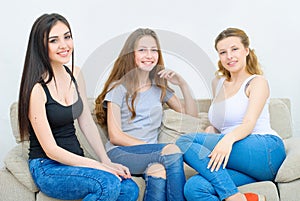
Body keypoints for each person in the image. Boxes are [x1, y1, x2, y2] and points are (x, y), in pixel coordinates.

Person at [18, 13, 139, 201]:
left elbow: (87, 123)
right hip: (48, 167)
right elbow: (51, 150)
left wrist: (105, 160)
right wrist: (98, 166)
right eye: (54, 40)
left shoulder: (75, 74)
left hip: (75, 160)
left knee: (129, 187)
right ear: (41, 47)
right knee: (107, 184)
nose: (64, 45)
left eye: (67, 37)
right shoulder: (36, 89)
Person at [176, 28, 286, 201]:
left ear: (246, 50)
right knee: (194, 188)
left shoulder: (257, 82)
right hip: (242, 162)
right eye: (223, 52)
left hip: (265, 150)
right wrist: (213, 130)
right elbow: (224, 120)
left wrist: (226, 140)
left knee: (184, 142)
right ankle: (248, 198)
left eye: (234, 49)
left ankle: (234, 196)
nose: (229, 56)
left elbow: (248, 123)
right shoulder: (217, 83)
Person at [95, 28, 198, 201]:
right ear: (131, 54)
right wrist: (154, 149)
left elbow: (190, 117)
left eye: (153, 50)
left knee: (158, 172)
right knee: (172, 151)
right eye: (142, 50)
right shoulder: (118, 88)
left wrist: (183, 85)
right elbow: (115, 136)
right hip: (121, 152)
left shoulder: (160, 89)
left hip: (150, 156)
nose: (149, 55)